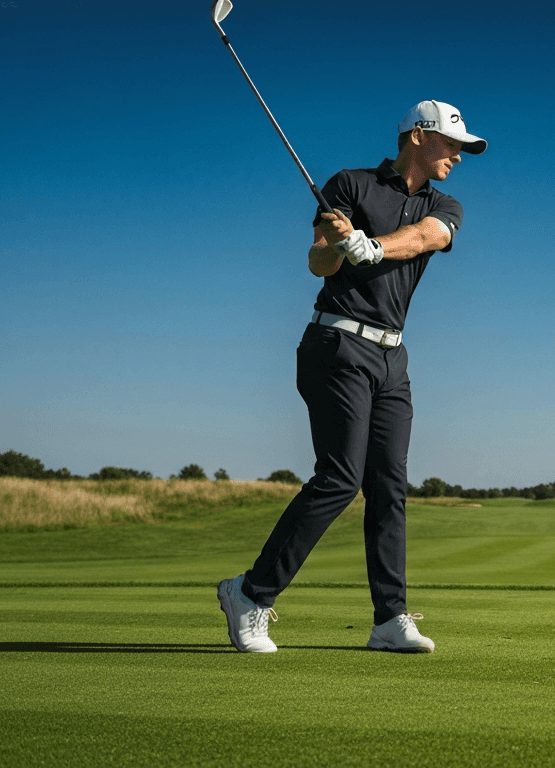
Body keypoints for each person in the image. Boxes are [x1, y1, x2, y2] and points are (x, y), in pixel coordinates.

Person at [218, 100, 487, 653]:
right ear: (418, 136)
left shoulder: (444, 204)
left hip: (392, 357)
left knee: (389, 486)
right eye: (452, 144)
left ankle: (390, 618)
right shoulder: (350, 185)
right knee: (340, 477)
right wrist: (342, 245)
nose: (459, 156)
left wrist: (374, 245)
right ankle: (249, 594)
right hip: (336, 344)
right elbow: (317, 263)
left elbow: (428, 237)